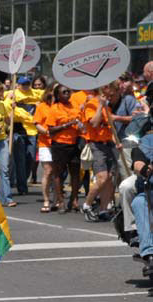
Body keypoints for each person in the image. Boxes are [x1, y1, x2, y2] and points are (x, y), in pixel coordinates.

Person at [81, 83, 120, 222]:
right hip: (96, 145)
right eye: (112, 91)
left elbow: (110, 129)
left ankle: (104, 209)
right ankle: (87, 205)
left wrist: (117, 142)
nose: (113, 94)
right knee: (102, 177)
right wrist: (100, 106)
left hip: (108, 144)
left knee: (110, 178)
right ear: (104, 89)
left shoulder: (108, 106)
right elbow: (94, 123)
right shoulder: (91, 104)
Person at [47, 84, 83, 213]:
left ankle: (74, 200)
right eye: (64, 92)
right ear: (58, 95)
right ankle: (60, 201)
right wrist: (67, 125)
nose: (67, 94)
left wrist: (80, 126)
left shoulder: (75, 106)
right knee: (58, 174)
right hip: (60, 145)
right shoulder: (54, 109)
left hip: (74, 143)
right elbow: (51, 130)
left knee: (75, 173)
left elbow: (81, 121)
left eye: (68, 91)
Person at [128, 134, 153, 276]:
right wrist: (147, 169)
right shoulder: (147, 141)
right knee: (139, 202)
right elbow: (138, 165)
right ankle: (150, 255)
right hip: (151, 191)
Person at [33, 86, 55, 213]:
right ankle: (46, 199)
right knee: (48, 171)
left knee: (57, 172)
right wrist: (47, 132)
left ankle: (58, 199)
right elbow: (37, 123)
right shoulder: (42, 106)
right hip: (45, 143)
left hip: (60, 143)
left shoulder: (62, 105)